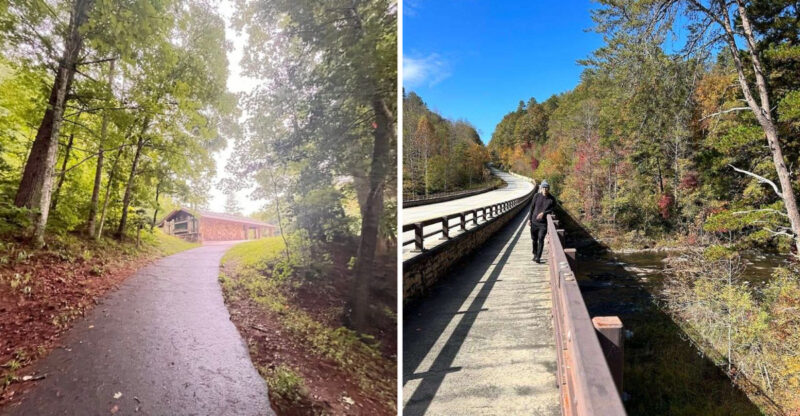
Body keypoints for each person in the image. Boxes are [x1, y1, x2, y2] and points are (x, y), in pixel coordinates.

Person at [528, 180, 555, 263]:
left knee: (541, 239)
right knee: (534, 239)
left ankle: (538, 257)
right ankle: (535, 254)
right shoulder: (536, 196)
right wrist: (529, 219)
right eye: (543, 187)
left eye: (546, 188)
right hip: (534, 222)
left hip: (543, 224)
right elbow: (531, 208)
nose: (545, 189)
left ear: (548, 189)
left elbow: (552, 209)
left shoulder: (552, 199)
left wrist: (544, 213)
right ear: (541, 188)